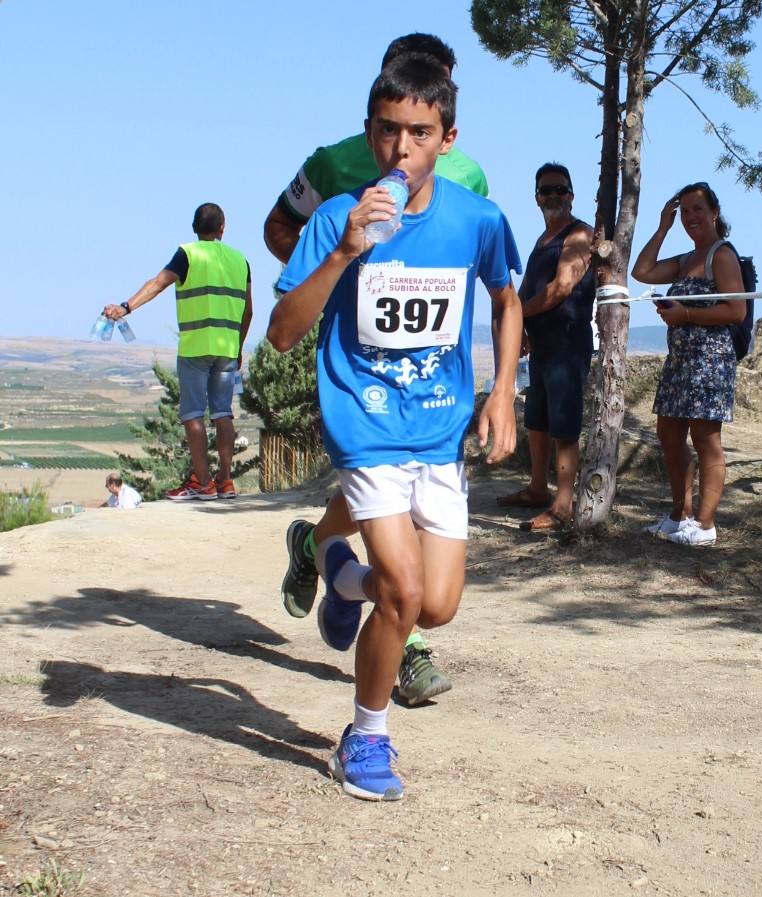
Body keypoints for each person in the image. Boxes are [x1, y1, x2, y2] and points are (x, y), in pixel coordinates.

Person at [267, 55, 523, 801]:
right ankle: (366, 736)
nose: (400, 150)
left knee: (435, 605)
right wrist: (347, 248)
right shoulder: (332, 219)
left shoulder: (476, 219)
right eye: (387, 131)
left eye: (419, 132)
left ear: (447, 139)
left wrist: (502, 390)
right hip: (365, 421)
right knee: (405, 593)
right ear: (369, 132)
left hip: (438, 428)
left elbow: (506, 300)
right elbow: (283, 333)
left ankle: (340, 574)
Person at [263, 33, 488, 265]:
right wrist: (325, 278)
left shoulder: (469, 175)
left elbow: (485, 259)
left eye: (441, 85)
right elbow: (279, 226)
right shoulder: (333, 163)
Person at [103, 203, 252, 500]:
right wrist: (238, 346)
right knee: (224, 413)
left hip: (196, 346)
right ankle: (226, 481)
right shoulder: (240, 260)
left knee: (193, 414)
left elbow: (158, 284)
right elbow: (248, 311)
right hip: (227, 346)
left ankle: (203, 482)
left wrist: (126, 307)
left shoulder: (188, 253)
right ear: (223, 228)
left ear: (195, 228)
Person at [631, 183, 746, 548]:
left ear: (714, 212)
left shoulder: (721, 256)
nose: (691, 217)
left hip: (709, 361)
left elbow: (736, 310)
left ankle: (706, 523)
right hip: (680, 360)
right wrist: (662, 226)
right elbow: (642, 271)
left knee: (705, 438)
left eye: (698, 209)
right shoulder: (684, 260)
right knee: (669, 433)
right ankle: (679, 515)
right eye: (684, 211)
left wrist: (685, 314)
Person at [496, 163, 595, 531]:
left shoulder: (579, 235)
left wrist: (518, 313)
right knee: (537, 417)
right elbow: (531, 288)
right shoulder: (543, 240)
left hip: (567, 340)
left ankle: (563, 505)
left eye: (559, 189)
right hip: (541, 344)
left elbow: (560, 288)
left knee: (564, 423)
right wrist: (518, 327)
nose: (552, 196)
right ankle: (538, 488)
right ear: (536, 198)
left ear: (571, 194)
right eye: (545, 190)